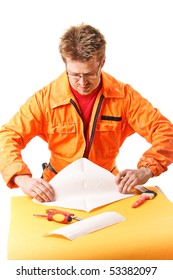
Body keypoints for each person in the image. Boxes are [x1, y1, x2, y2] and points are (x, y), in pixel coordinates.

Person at [0, 23, 173, 202]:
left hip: (108, 186)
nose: (82, 83)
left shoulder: (125, 97)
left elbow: (166, 133)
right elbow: (7, 135)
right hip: (55, 190)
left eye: (90, 74)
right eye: (74, 74)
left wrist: (146, 169)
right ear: (65, 64)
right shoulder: (44, 99)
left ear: (102, 62)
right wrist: (21, 178)